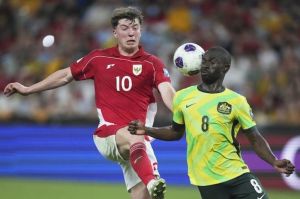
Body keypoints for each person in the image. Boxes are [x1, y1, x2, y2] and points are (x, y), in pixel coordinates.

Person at [3, 6, 175, 199]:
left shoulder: (152, 64)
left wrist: (185, 112)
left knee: (148, 195)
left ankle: (150, 184)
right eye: (125, 28)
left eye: (135, 27)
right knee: (140, 148)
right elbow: (66, 75)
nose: (131, 32)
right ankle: (151, 180)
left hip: (139, 142)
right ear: (115, 33)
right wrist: (28, 89)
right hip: (108, 133)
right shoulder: (98, 58)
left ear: (141, 31)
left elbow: (167, 92)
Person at [128, 46, 295, 199]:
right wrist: (147, 130)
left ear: (225, 68)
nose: (206, 66)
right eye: (204, 61)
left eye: (212, 62)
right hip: (205, 178)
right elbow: (175, 132)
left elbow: (255, 137)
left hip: (236, 172)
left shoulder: (237, 101)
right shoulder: (182, 97)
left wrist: (274, 161)